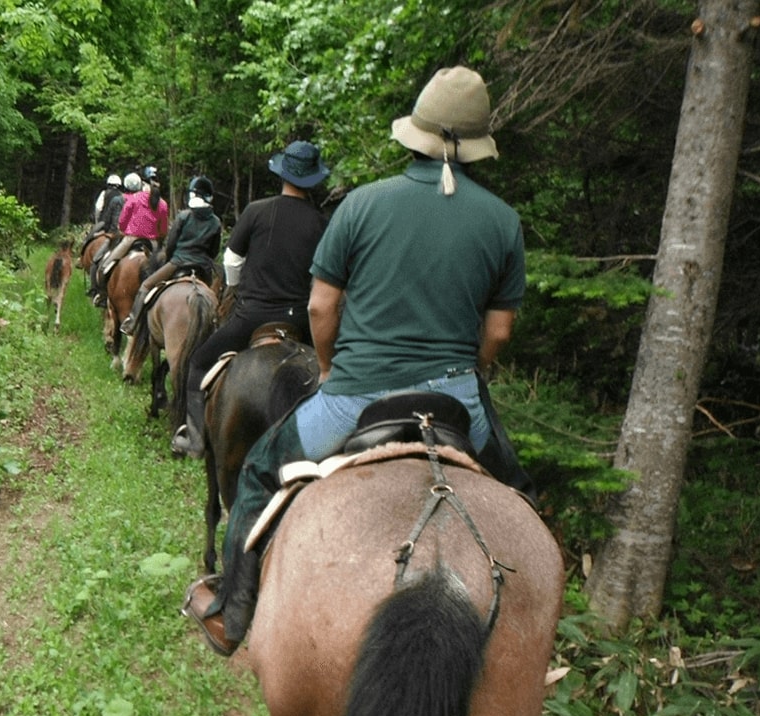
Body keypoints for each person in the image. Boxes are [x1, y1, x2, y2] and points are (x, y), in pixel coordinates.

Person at [182, 66, 528, 657]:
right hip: (456, 397)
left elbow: (322, 308)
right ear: (476, 146)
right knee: (520, 496)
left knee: (262, 469)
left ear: (414, 133)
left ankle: (233, 610)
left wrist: (331, 369)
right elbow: (497, 331)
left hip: (356, 393)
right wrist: (469, 369)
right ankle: (525, 628)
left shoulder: (363, 204)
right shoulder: (502, 221)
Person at [171, 141, 331, 457]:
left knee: (199, 362)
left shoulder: (257, 210)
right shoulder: (321, 222)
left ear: (281, 174)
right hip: (300, 318)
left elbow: (231, 259)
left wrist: (234, 289)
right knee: (330, 372)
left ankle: (195, 438)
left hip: (253, 315)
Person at [121, 175, 222, 335]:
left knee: (146, 285)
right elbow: (214, 251)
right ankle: (216, 328)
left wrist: (168, 258)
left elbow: (171, 243)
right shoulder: (216, 222)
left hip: (179, 261)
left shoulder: (184, 216)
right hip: (203, 267)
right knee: (216, 297)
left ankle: (132, 322)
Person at [93, 166, 170, 307]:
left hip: (131, 239)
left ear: (142, 182)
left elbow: (122, 222)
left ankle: (102, 294)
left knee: (105, 266)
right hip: (152, 243)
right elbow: (163, 230)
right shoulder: (163, 204)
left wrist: (124, 230)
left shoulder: (135, 198)